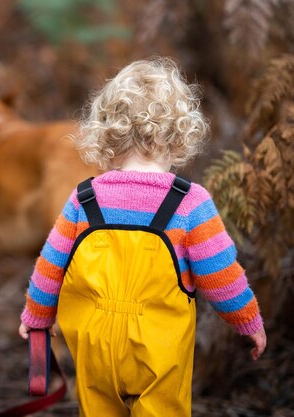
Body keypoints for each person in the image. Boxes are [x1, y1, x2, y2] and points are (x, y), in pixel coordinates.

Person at [17, 57, 267, 417]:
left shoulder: (84, 198)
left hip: (93, 345)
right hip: (159, 351)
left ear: (106, 133)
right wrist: (249, 321)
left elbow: (51, 265)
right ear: (180, 134)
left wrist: (36, 316)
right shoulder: (190, 203)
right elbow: (221, 275)